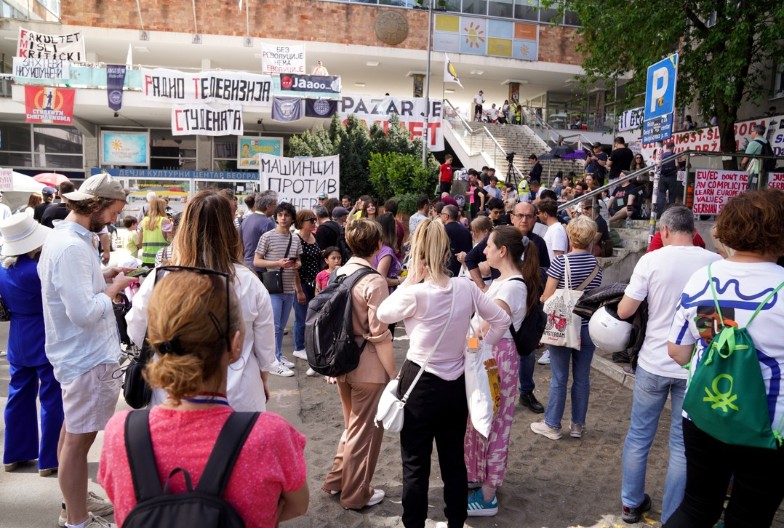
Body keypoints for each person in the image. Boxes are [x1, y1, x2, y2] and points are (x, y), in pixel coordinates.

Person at [100, 269, 308, 527]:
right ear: (235, 345)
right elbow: (298, 505)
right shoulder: (270, 435)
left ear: (156, 341)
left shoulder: (120, 434)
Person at [377, 218, 510, 528]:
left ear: (419, 254)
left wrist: (412, 278)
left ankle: (414, 524)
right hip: (455, 384)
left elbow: (383, 313)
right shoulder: (466, 287)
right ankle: (455, 522)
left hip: (419, 383)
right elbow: (501, 321)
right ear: (448, 251)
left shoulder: (415, 293)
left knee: (415, 465)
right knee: (453, 461)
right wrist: (477, 350)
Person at [666, 189, 784, 528]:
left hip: (704, 416)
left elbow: (678, 351)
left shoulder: (704, 280)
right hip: (768, 431)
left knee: (696, 507)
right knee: (749, 517)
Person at [38, 172, 133, 528]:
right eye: (113, 212)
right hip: (86, 356)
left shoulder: (71, 238)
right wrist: (113, 289)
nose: (114, 219)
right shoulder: (72, 246)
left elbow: (74, 295)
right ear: (95, 206)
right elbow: (83, 313)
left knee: (73, 434)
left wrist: (105, 276)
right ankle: (77, 518)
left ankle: (73, 501)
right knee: (78, 440)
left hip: (81, 355)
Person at [615, 206, 721, 524]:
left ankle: (631, 503)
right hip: (693, 366)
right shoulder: (715, 263)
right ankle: (674, 514)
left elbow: (624, 311)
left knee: (639, 434)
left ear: (664, 230)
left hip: (652, 362)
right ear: (693, 230)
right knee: (681, 442)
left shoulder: (651, 261)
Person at [127, 190, 275, 412]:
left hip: (173, 396)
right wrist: (263, 379)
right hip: (238, 399)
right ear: (229, 229)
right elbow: (265, 350)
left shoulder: (160, 277)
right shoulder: (249, 283)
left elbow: (137, 331)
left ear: (184, 227)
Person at [464, 226, 542, 516]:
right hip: (489, 358)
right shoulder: (503, 281)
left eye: (488, 245)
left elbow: (485, 331)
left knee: (493, 424)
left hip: (495, 359)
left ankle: (488, 495)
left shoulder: (510, 286)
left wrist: (465, 344)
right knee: (482, 419)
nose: (483, 251)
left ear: (502, 251)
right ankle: (480, 479)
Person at [322, 219, 396, 510]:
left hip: (340, 362)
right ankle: (355, 494)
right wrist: (393, 373)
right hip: (368, 366)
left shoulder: (338, 272)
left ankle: (336, 481)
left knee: (353, 427)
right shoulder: (374, 280)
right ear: (378, 245)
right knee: (364, 434)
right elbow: (380, 334)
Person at [0, 214, 62, 478]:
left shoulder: (3, 269)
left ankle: (14, 453)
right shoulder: (38, 270)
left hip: (18, 335)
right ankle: (50, 458)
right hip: (45, 332)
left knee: (18, 394)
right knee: (51, 396)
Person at [531, 216, 602, 441]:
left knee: (559, 377)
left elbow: (548, 295)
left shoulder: (561, 262)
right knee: (582, 377)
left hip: (562, 324)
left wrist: (542, 298)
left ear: (570, 236)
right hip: (588, 325)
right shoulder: (596, 265)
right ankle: (577, 425)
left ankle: (552, 424)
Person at [254, 202, 303, 376]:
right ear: (275, 216)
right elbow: (257, 261)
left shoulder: (295, 238)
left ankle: (279, 355)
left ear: (291, 218)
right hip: (273, 287)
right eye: (280, 215)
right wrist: (276, 263)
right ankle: (272, 361)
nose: (283, 218)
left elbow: (299, 261)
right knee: (273, 326)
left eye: (286, 215)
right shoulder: (267, 236)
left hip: (289, 286)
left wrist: (296, 264)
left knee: (281, 326)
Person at [292, 209, 322, 364]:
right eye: (310, 220)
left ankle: (307, 345)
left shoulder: (313, 237)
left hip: (314, 282)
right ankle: (299, 347)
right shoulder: (296, 239)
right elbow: (294, 267)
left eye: (314, 220)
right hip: (302, 282)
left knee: (312, 316)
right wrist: (298, 290)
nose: (313, 223)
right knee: (301, 316)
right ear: (301, 222)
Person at [241, 190, 277, 274]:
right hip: (261, 269)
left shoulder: (246, 220)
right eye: (274, 204)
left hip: (246, 265)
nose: (276, 207)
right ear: (268, 206)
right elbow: (272, 249)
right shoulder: (267, 223)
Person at [441, 205, 472, 278]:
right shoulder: (465, 230)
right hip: (464, 268)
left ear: (446, 216)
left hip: (448, 269)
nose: (440, 216)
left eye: (441, 214)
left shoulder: (442, 231)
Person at [140, 197, 171, 266]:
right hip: (161, 260)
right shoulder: (165, 221)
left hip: (146, 259)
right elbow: (171, 240)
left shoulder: (143, 221)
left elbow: (139, 244)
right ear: (162, 208)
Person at [740, 124, 770, 189]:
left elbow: (744, 161)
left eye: (752, 131)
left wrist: (742, 168)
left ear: (756, 132)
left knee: (752, 189)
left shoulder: (753, 143)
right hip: (765, 170)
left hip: (755, 172)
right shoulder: (766, 142)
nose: (751, 133)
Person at [657, 142, 680, 215]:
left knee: (661, 196)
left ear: (666, 147)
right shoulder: (674, 155)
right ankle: (670, 214)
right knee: (672, 196)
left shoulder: (661, 155)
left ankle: (660, 214)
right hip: (671, 177)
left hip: (662, 177)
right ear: (673, 147)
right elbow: (676, 165)